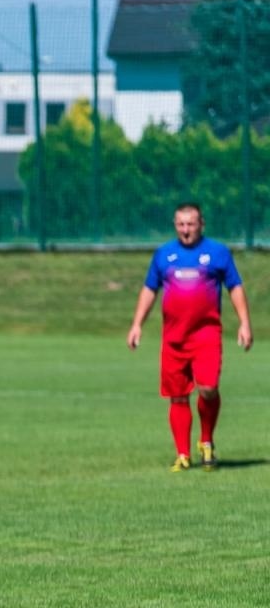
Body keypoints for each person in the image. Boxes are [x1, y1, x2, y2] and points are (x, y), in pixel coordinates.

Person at [127, 202, 253, 471]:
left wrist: (244, 323)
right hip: (173, 338)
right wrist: (137, 324)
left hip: (206, 335)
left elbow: (235, 286)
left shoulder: (217, 253)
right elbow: (149, 289)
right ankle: (183, 454)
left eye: (191, 224)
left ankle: (206, 440)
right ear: (175, 225)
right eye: (181, 224)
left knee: (208, 388)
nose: (186, 230)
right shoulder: (163, 254)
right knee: (178, 396)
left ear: (201, 224)